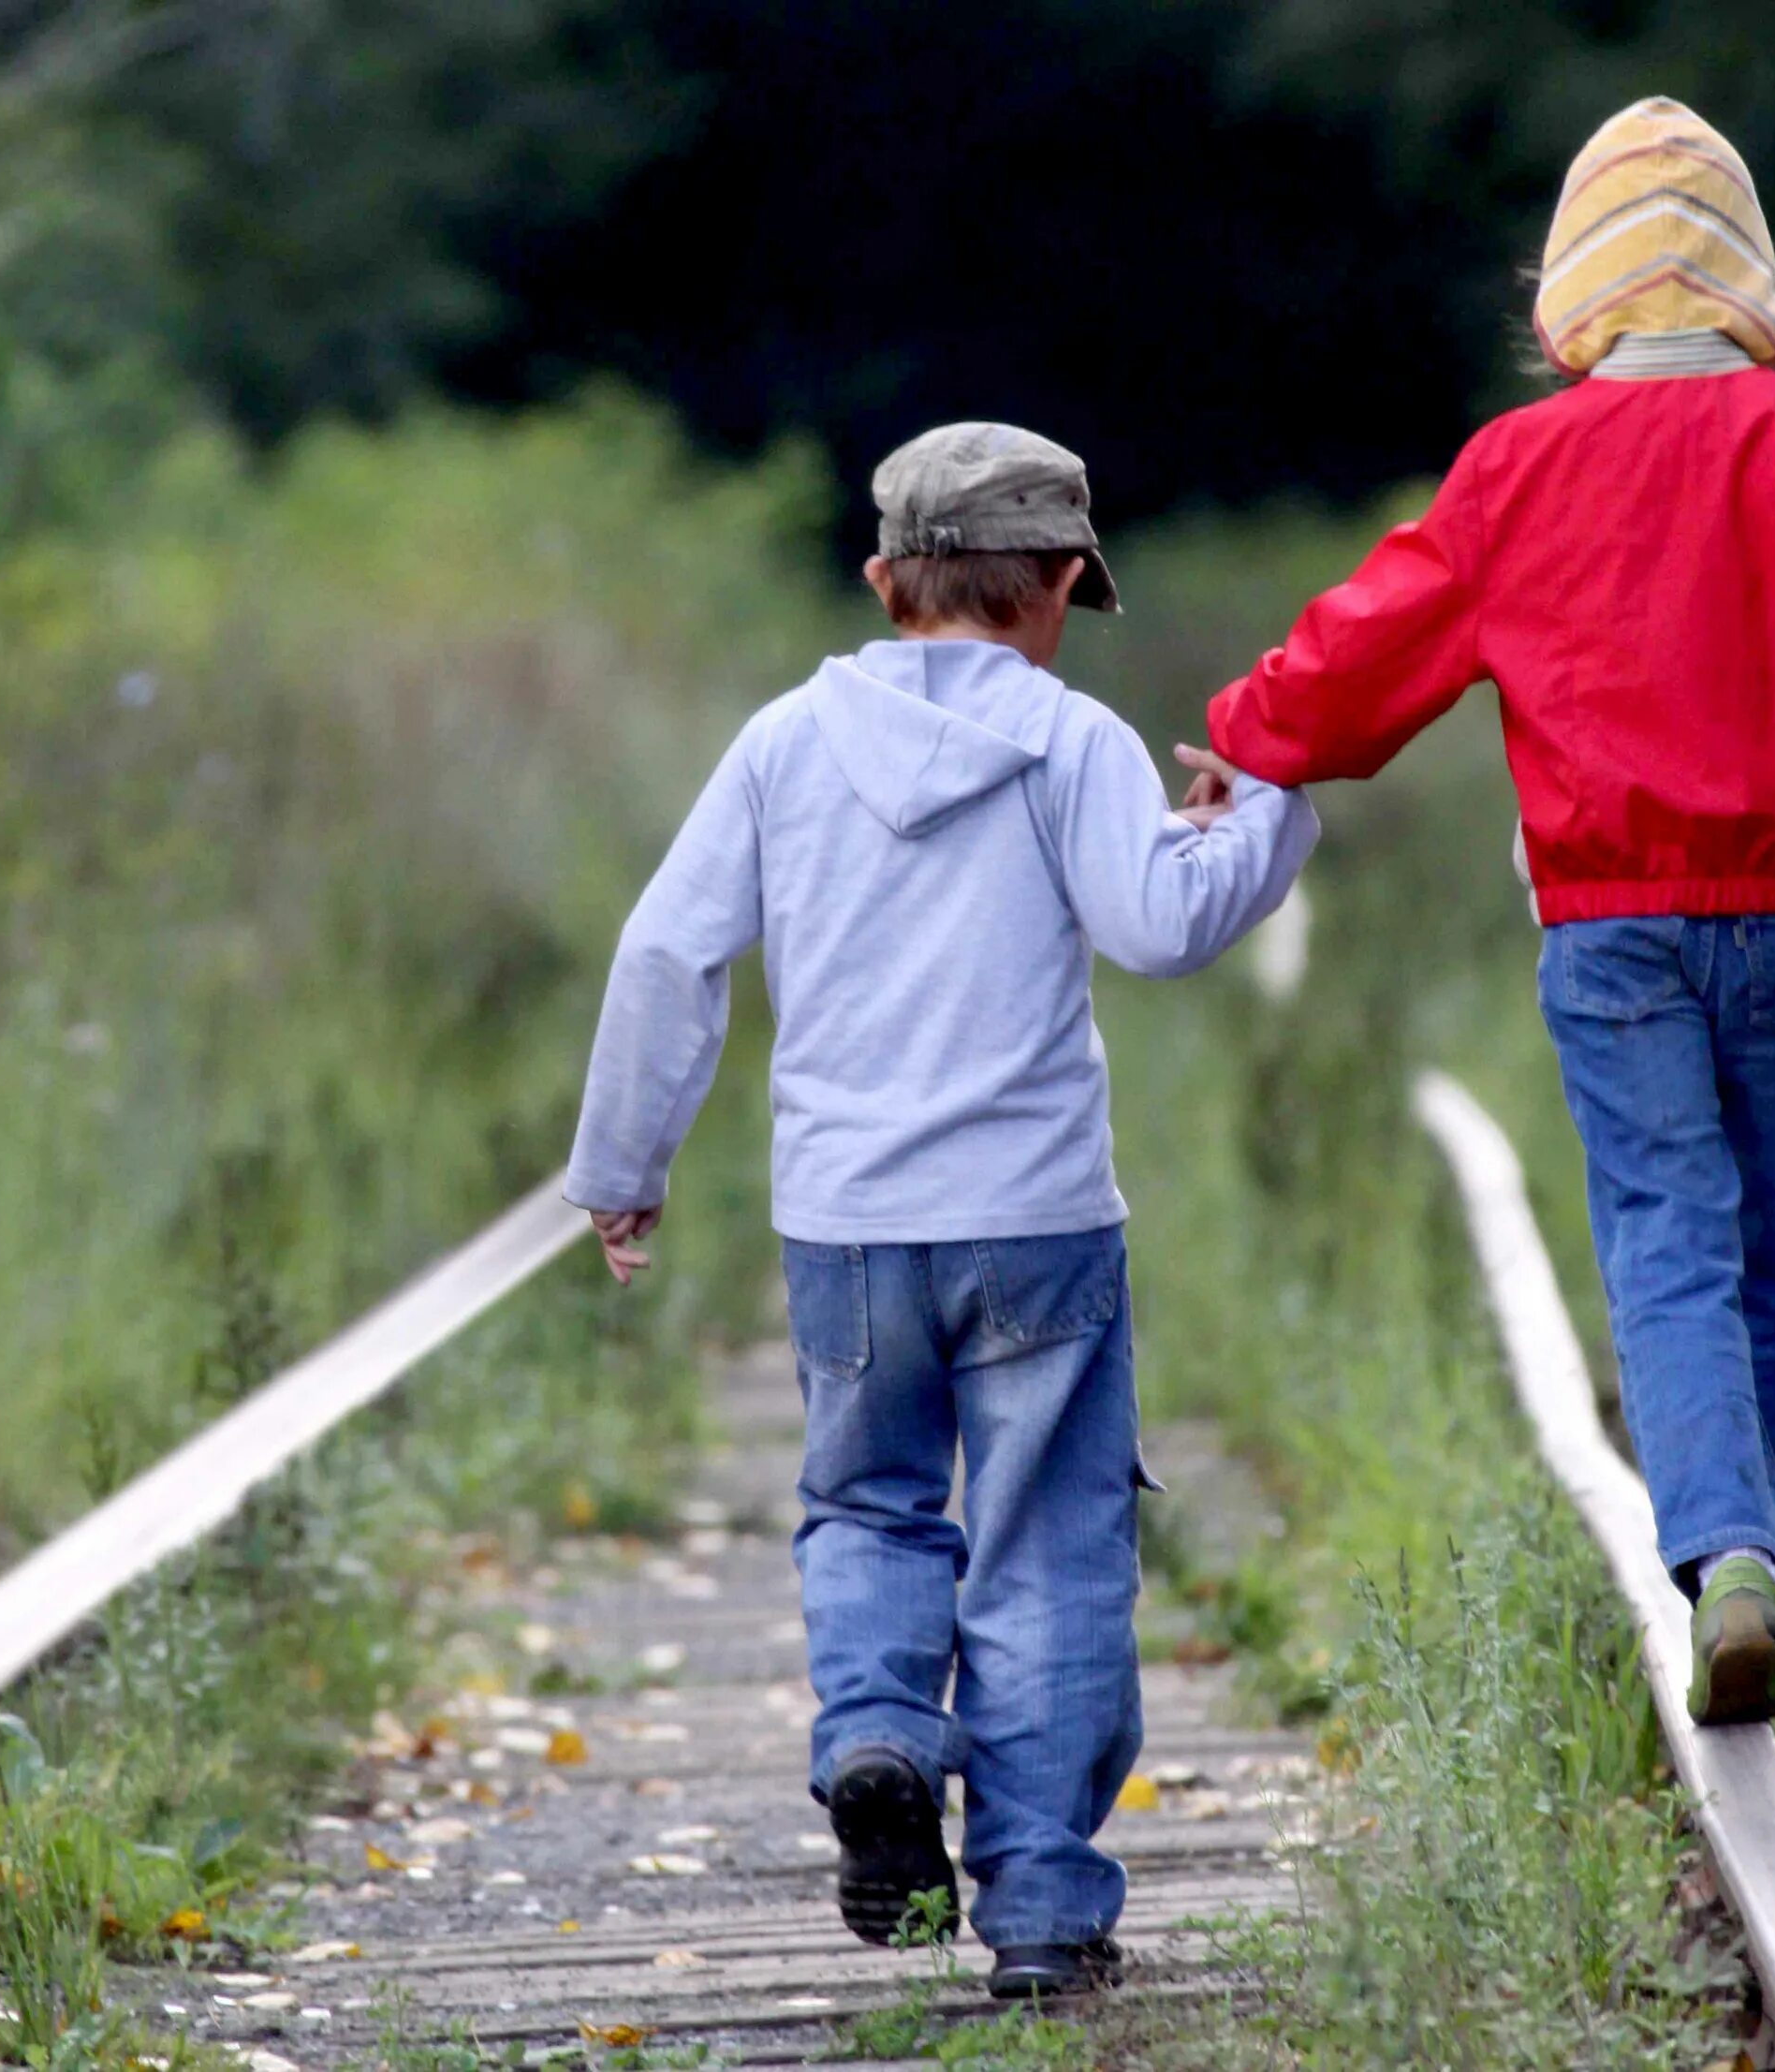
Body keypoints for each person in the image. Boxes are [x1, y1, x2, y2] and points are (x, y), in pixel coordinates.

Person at [1191, 97, 1775, 1727]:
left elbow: (1361, 662)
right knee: (1770, 1251)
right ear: (1751, 289)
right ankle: (1751, 1558)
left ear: (1573, 293)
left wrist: (1239, 737)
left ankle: (1722, 1552)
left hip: (1613, 933)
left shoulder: (1517, 468)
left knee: (1666, 1238)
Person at [564, 422, 1317, 1993]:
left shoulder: (782, 744)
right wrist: (1266, 811)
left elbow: (666, 955)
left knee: (868, 1504)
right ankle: (1042, 1915)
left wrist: (623, 1169)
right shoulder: (1074, 742)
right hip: (1038, 1216)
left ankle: (883, 1735)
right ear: (1055, 586)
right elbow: (1162, 925)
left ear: (880, 578)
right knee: (1048, 1543)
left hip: (844, 1222)